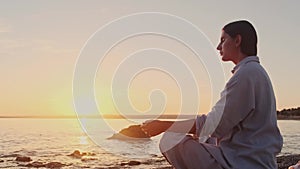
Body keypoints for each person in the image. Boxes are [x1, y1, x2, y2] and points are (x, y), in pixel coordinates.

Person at [141, 20, 283, 169]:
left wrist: (164, 125)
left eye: (223, 40)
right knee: (202, 137)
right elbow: (219, 124)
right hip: (252, 157)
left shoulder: (246, 75)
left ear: (237, 41)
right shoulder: (254, 72)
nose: (218, 47)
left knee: (170, 139)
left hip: (244, 162)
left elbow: (214, 125)